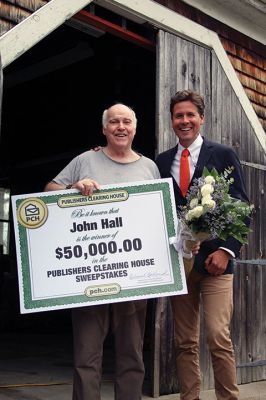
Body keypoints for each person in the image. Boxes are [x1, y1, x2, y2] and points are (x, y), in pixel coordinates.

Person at [45, 103, 161, 400]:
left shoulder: (149, 167)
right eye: (114, 122)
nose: (120, 127)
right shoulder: (86, 159)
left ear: (135, 128)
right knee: (86, 355)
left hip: (134, 279)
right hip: (89, 278)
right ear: (104, 129)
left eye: (126, 122)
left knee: (132, 355)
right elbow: (48, 191)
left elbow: (158, 217)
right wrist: (73, 186)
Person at [156, 90, 249, 400]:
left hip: (216, 265)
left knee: (218, 337)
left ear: (201, 118)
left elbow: (242, 207)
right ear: (172, 121)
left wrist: (226, 250)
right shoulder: (161, 162)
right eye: (178, 116)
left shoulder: (222, 155)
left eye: (190, 115)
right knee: (184, 341)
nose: (184, 121)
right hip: (179, 265)